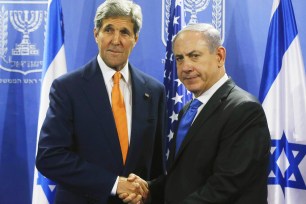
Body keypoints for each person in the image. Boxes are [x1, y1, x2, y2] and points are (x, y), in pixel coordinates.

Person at [35, 0, 166, 203]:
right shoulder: (68, 88)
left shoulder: (154, 91)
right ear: (96, 34)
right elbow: (49, 157)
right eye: (108, 30)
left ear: (135, 39)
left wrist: (146, 193)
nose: (116, 40)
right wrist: (114, 184)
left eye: (124, 32)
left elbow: (157, 165)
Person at [126, 23, 271, 204]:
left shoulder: (244, 110)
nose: (186, 67)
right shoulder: (188, 111)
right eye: (179, 58)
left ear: (219, 56)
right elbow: (182, 177)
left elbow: (225, 187)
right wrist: (148, 189)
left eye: (194, 56)